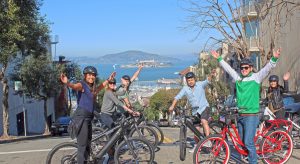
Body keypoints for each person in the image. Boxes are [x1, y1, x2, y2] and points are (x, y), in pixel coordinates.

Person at [211, 49, 281, 164]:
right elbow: (228, 69)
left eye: (246, 68)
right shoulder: (238, 79)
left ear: (251, 68)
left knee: (248, 142)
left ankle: (253, 162)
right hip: (240, 115)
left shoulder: (256, 77)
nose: (243, 70)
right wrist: (219, 59)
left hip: (251, 116)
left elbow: (268, 68)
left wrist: (274, 58)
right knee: (242, 142)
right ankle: (245, 159)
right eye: (242, 68)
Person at [60, 66, 115, 164]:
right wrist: (67, 83)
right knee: (82, 146)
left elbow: (100, 87)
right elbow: (74, 86)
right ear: (85, 75)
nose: (91, 77)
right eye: (89, 75)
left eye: (93, 75)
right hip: (81, 118)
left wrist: (108, 80)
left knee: (88, 145)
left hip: (88, 119)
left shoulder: (92, 88)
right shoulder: (82, 85)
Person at [168, 71, 215, 152]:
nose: (190, 81)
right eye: (188, 80)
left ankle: (208, 141)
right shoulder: (185, 89)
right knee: (195, 129)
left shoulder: (200, 84)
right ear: (186, 81)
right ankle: (197, 146)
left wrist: (211, 74)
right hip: (195, 111)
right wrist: (172, 106)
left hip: (204, 107)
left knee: (204, 121)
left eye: (192, 80)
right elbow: (177, 97)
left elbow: (207, 80)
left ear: (194, 79)